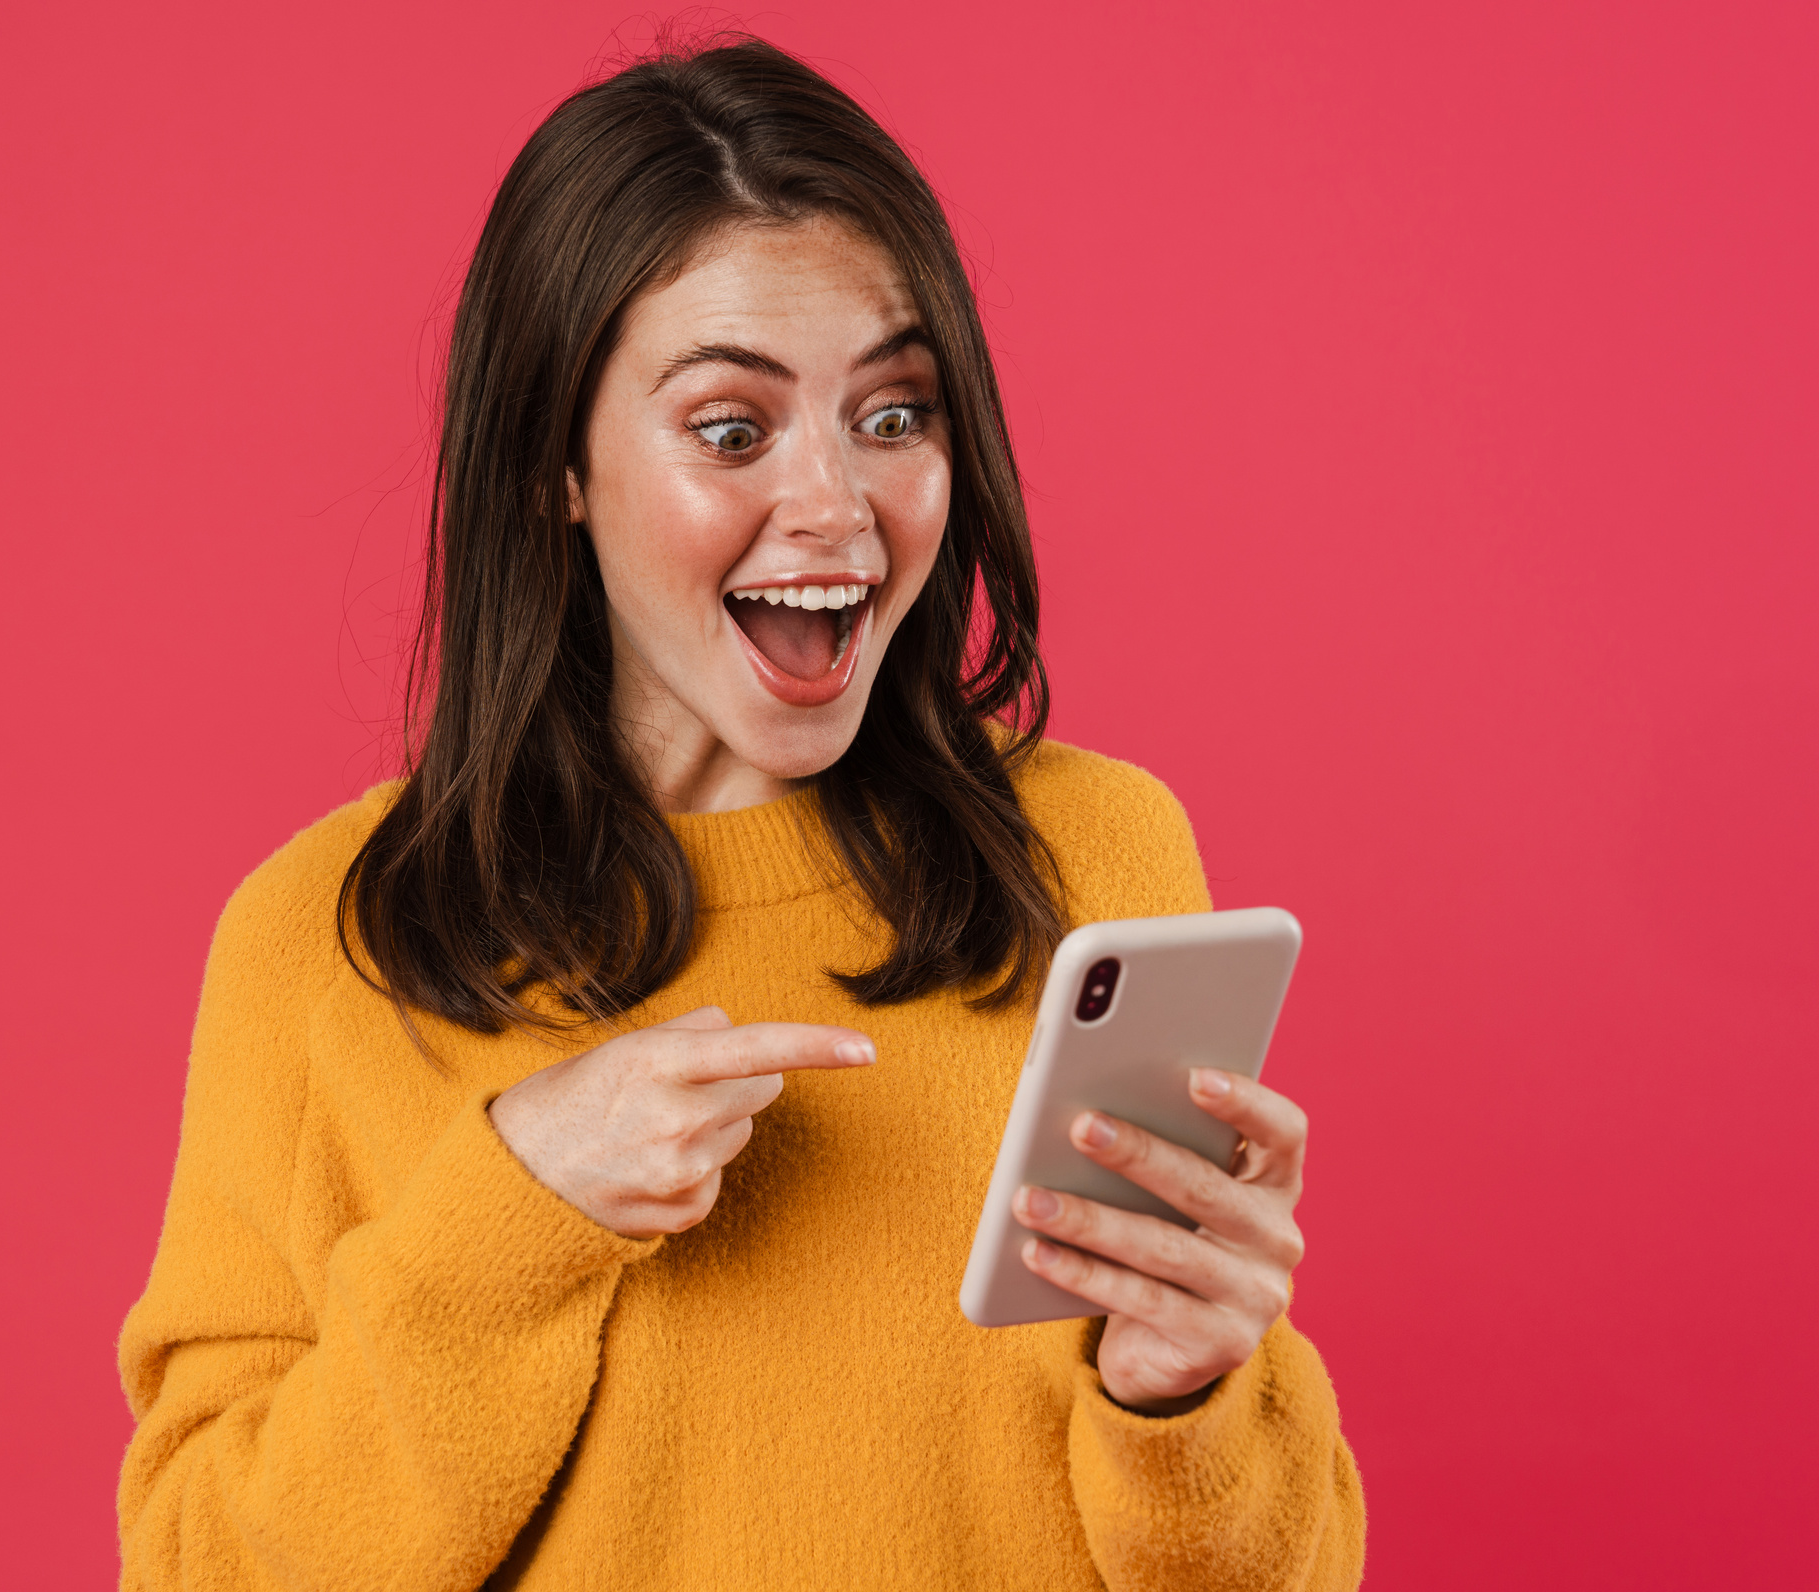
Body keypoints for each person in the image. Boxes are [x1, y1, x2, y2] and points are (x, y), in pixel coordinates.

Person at [116, 37, 1364, 1591]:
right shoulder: (330, 943)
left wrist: (1178, 1394)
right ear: (551, 464)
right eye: (730, 429)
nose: (838, 507)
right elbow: (200, 1568)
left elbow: (1277, 1570)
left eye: (894, 413)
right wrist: (511, 1217)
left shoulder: (1093, 864)